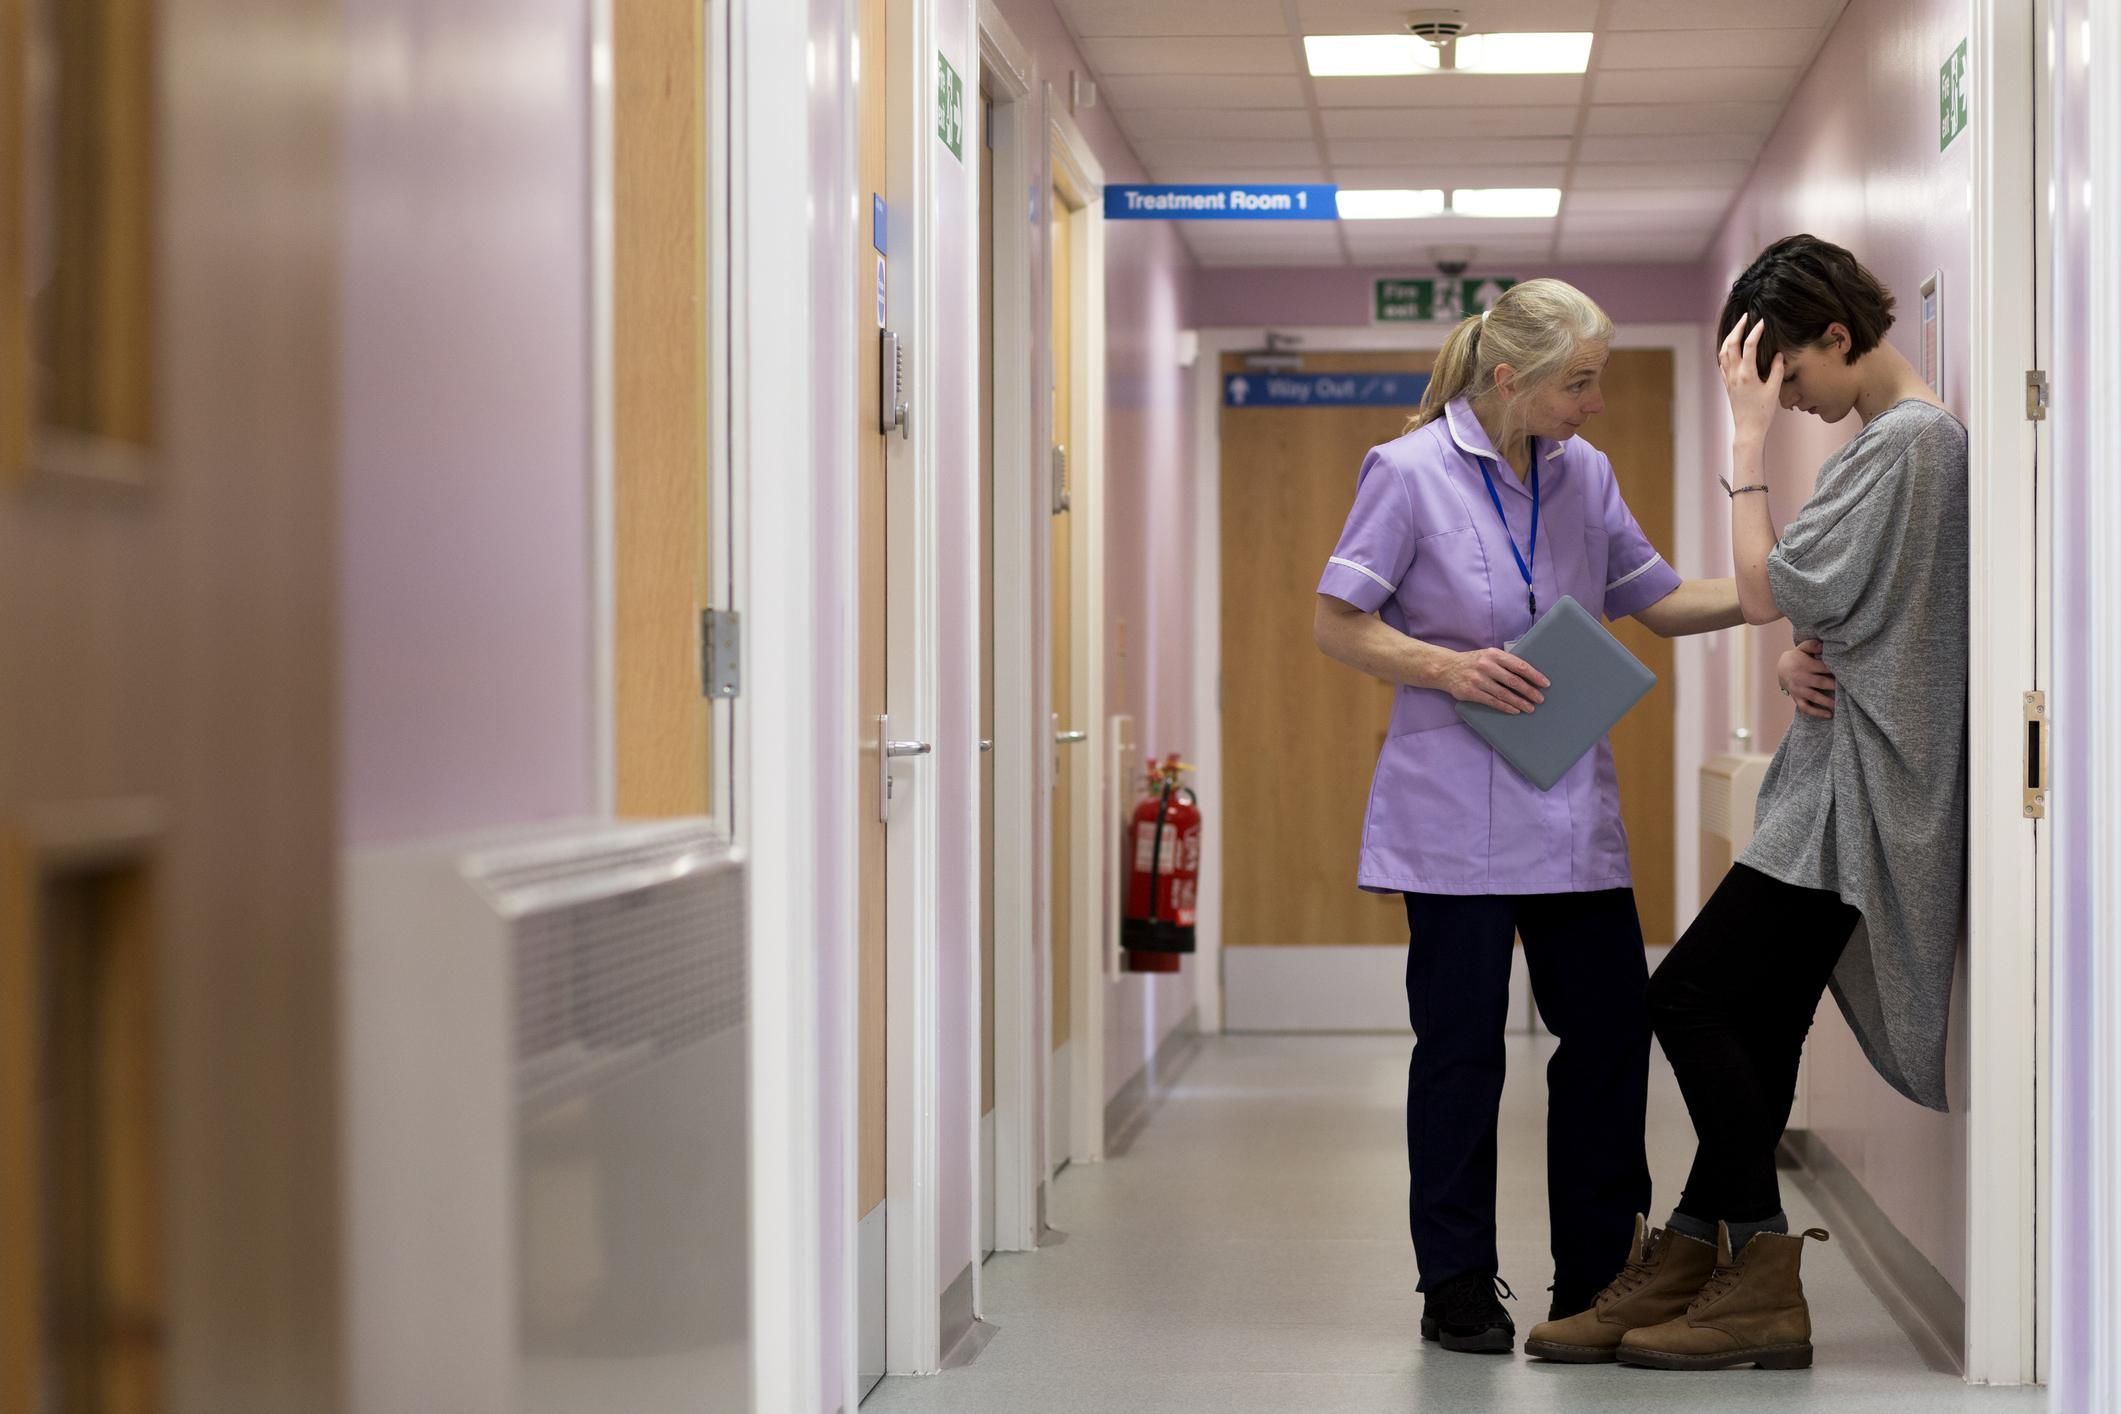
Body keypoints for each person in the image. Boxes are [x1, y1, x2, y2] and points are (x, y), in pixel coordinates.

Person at [1312, 277, 1744, 1356]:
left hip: (1567, 813)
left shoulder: (1582, 473)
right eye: (1580, 383)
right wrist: (1445, 668)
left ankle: (1597, 1275)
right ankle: (1455, 1281)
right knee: (1460, 1051)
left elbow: (1657, 600)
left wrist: (1781, 590)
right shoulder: (1406, 472)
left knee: (1606, 1037)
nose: (1595, 404)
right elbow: (1338, 622)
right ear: (1511, 378)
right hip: (1451, 816)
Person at [1603, 235, 1963, 1373]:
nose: (1790, 402)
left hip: (1855, 799)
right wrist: (1796, 655)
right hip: (1834, 782)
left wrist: (1745, 448)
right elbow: (1825, 615)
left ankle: (1755, 1261)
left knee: (1686, 998)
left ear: (1839, 338)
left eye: (1791, 378)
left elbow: (1765, 588)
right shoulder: (1891, 445)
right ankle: (1699, 1250)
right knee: (1759, 1022)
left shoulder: (1909, 444)